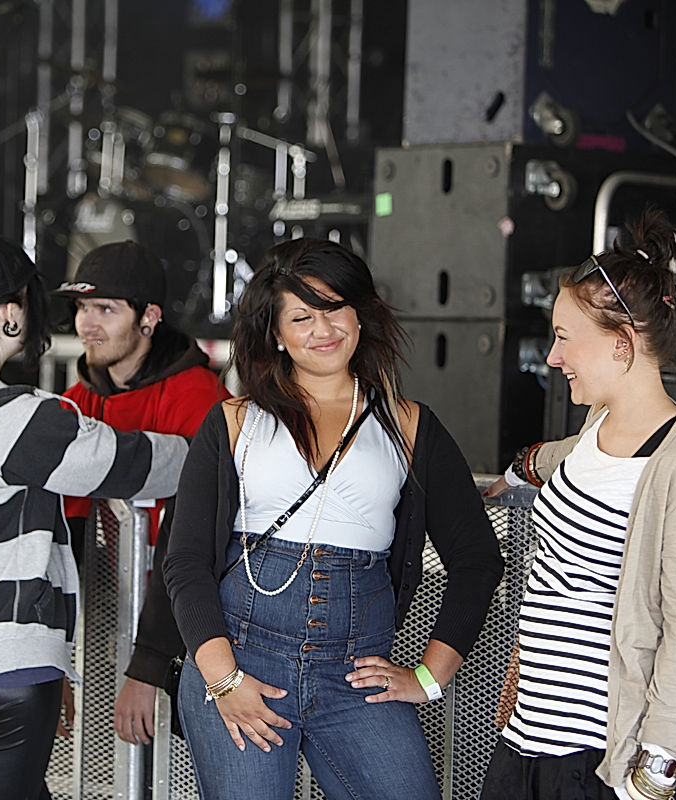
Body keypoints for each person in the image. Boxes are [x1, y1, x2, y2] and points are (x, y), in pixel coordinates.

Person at [163, 237, 504, 800]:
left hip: (354, 675)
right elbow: (186, 563)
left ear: (359, 314)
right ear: (276, 333)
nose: (323, 329)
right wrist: (224, 681)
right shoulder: (233, 422)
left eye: (334, 308)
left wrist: (428, 677)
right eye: (300, 316)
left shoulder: (409, 424)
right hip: (242, 661)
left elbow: (476, 559)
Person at [0, 235, 190, 800]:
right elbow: (140, 465)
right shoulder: (19, 418)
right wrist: (224, 442)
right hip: (3, 668)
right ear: (9, 315)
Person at [480, 209, 676, 800]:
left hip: (609, 757)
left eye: (565, 338)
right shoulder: (598, 427)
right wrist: (523, 468)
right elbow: (567, 457)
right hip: (530, 738)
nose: (552, 357)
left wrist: (653, 772)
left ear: (622, 345)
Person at [53, 240, 229, 746]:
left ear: (149, 317)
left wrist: (150, 663)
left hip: (198, 624)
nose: (87, 324)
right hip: (117, 615)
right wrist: (53, 657)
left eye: (105, 309)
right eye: (83, 308)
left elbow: (198, 547)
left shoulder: (197, 397)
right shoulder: (76, 401)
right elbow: (65, 541)